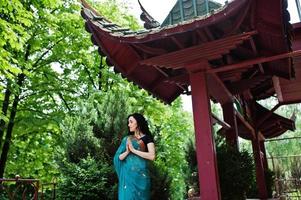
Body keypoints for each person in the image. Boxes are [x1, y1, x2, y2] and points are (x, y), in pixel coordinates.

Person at [114, 113, 155, 200]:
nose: (129, 124)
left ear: (138, 123)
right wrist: (128, 151)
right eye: (128, 122)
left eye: (131, 122)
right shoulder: (127, 139)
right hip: (128, 178)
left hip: (141, 177)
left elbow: (152, 156)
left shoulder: (147, 138)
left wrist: (134, 151)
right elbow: (118, 158)